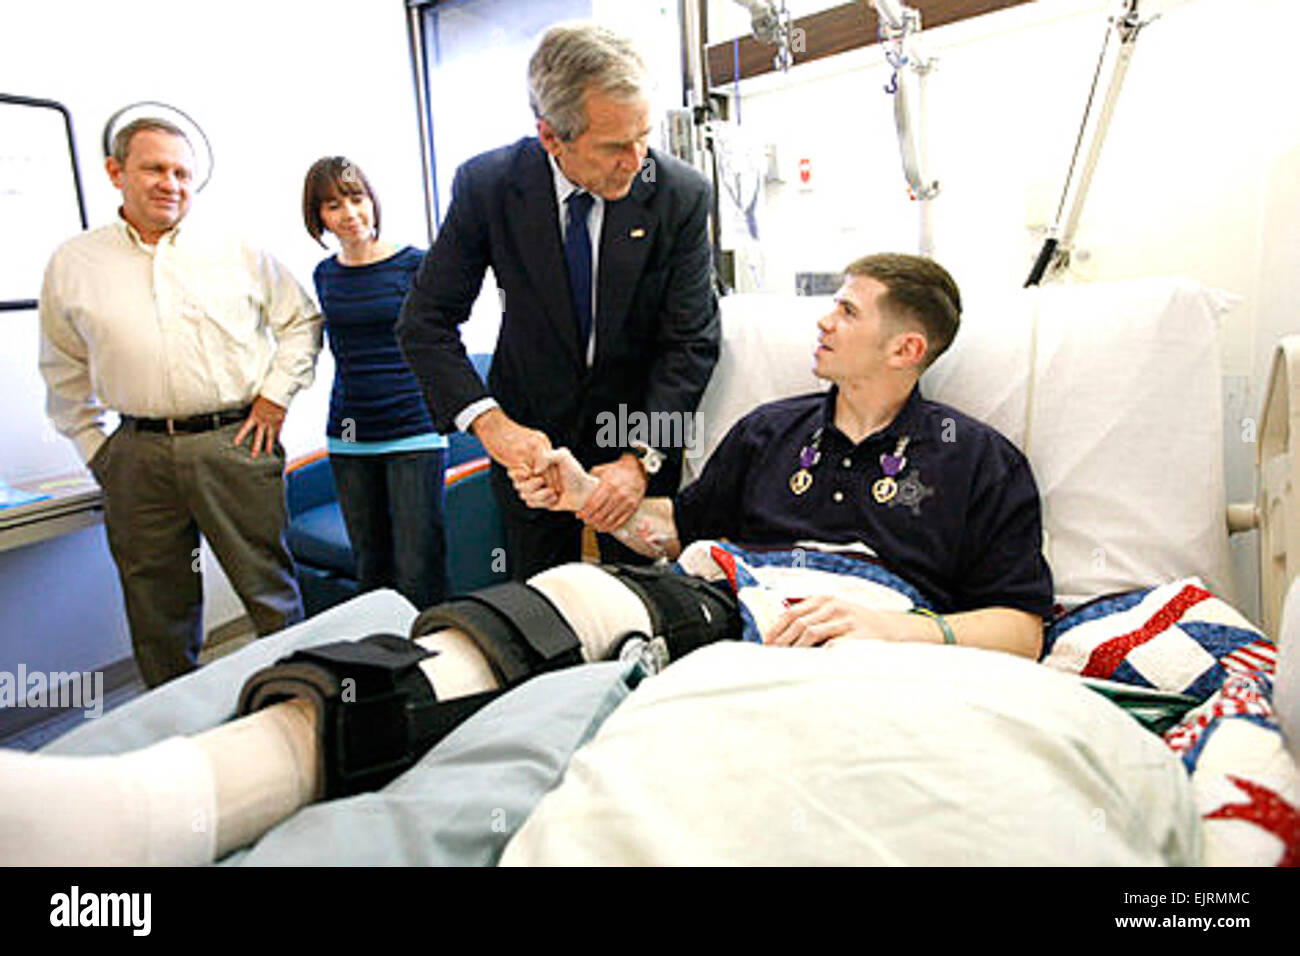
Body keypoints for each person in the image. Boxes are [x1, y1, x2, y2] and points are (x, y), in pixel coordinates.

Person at [5, 253, 1052, 864]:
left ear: (906, 347)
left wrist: (906, 629)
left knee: (572, 671)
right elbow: (674, 532)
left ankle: (178, 811)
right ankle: (162, 793)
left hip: (855, 635)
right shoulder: (774, 428)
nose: (823, 321)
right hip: (713, 594)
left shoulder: (979, 463)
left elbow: (1026, 626)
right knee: (539, 610)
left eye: (849, 312)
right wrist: (590, 495)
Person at [396, 21, 720, 581]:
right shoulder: (489, 185)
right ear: (551, 137)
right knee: (540, 607)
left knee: (647, 603)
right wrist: (494, 427)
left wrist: (639, 459)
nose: (636, 159)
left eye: (644, 136)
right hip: (530, 440)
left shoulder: (679, 195)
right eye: (616, 145)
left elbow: (689, 342)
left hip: (633, 428)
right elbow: (425, 322)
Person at [39, 117, 323, 687]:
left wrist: (273, 399)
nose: (170, 183)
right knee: (156, 605)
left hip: (235, 443)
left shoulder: (236, 250)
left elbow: (302, 322)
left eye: (182, 173)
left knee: (269, 589)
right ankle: (174, 726)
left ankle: (304, 702)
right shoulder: (75, 263)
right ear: (116, 173)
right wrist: (99, 450)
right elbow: (62, 366)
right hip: (136, 455)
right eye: (154, 169)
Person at [303, 156, 447, 610]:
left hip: (415, 427)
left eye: (356, 198)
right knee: (372, 566)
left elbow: (441, 342)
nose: (349, 214)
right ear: (318, 217)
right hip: (351, 433)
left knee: (418, 564)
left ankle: (432, 663)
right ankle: (377, 663)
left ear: (372, 201)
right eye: (332, 205)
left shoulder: (416, 264)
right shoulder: (325, 274)